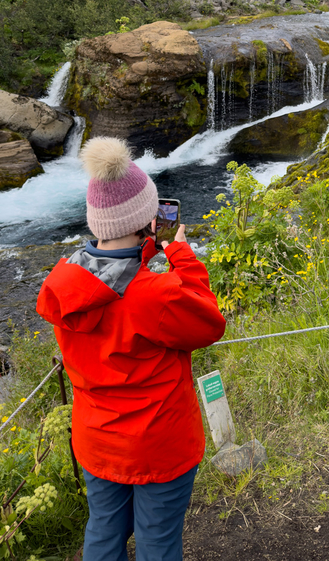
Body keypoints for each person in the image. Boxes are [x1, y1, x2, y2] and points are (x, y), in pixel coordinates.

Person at [36, 136, 226, 561]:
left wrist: (145, 255)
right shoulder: (155, 294)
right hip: (159, 444)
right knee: (157, 542)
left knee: (103, 533)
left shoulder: (63, 283)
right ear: (147, 220)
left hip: (97, 440)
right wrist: (181, 256)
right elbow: (209, 323)